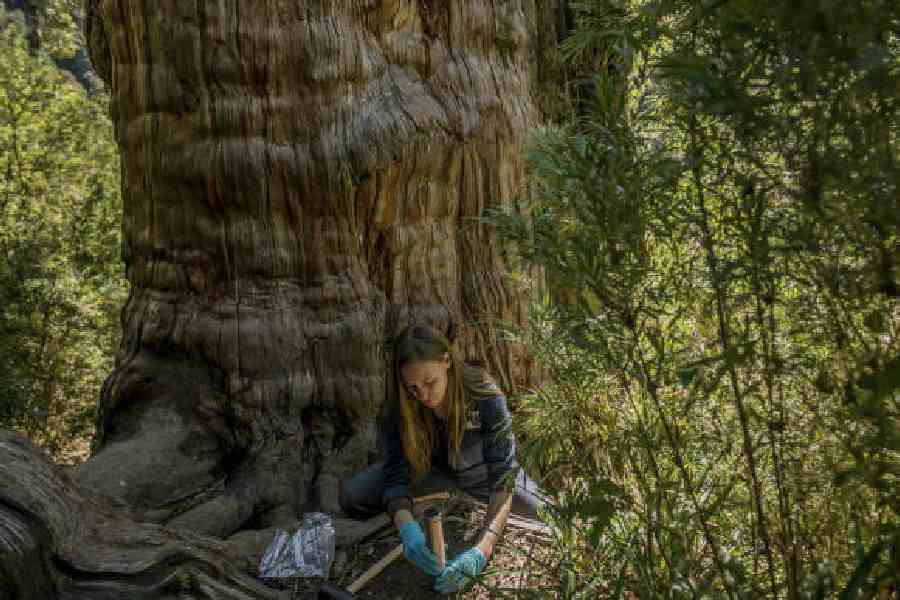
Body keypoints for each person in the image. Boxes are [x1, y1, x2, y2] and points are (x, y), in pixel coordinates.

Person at [338, 323, 546, 594]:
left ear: (446, 361)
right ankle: (442, 500)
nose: (423, 396)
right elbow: (396, 475)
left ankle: (462, 502)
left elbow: (502, 478)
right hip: (430, 476)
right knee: (353, 496)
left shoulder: (484, 394)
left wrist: (481, 551)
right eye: (413, 388)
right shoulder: (399, 405)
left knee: (545, 516)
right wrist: (406, 529)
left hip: (483, 478)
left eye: (429, 382)